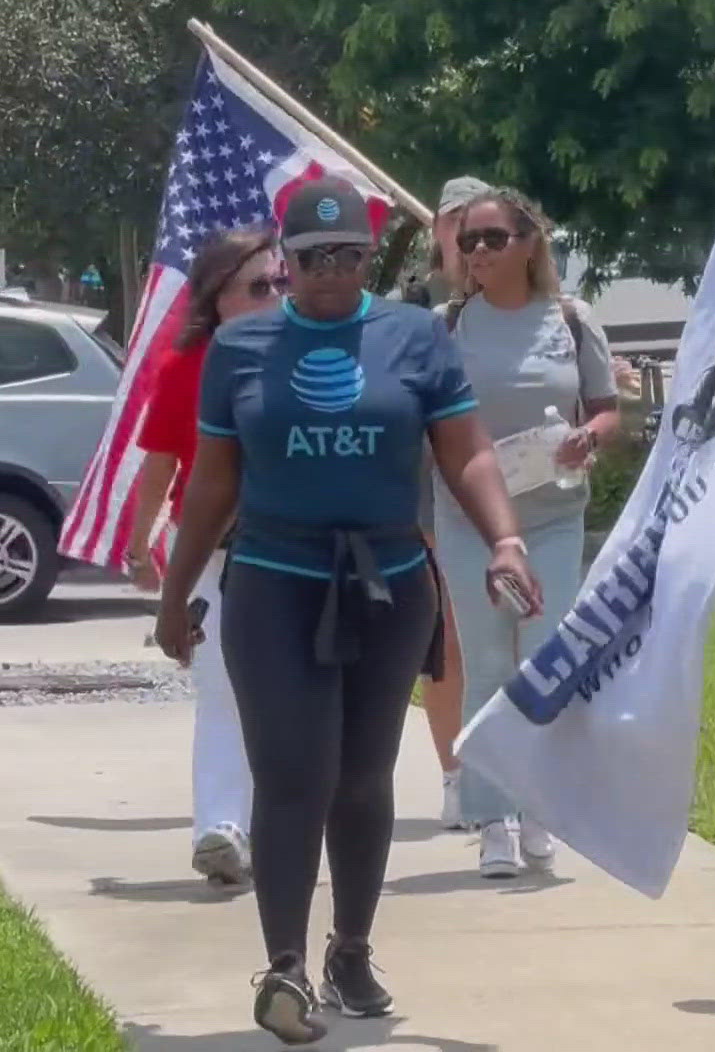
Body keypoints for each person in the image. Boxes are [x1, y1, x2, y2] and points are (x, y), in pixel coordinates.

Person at [154, 178, 541, 1046]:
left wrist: (505, 540)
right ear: (284, 267)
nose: (330, 270)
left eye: (348, 254)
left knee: (363, 777)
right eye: (310, 257)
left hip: (388, 579)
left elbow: (467, 453)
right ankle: (284, 966)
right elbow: (214, 482)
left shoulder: (411, 337)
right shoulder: (243, 349)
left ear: (371, 258)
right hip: (271, 579)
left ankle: (351, 950)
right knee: (293, 770)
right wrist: (178, 596)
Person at [436, 186, 619, 879]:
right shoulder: (446, 324)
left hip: (551, 514)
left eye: (493, 237)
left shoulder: (571, 320)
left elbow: (606, 411)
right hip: (469, 519)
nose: (477, 250)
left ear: (529, 243)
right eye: (469, 239)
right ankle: (493, 819)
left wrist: (587, 438)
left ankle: (540, 806)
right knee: (486, 662)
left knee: (546, 662)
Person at [125, 226, 282, 892]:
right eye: (258, 286)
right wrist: (140, 546)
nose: (275, 295)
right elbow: (160, 463)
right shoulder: (186, 367)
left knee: (291, 699)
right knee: (222, 692)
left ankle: (282, 827)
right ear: (219, 297)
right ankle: (220, 830)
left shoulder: (309, 354)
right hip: (221, 555)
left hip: (303, 551)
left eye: (281, 282)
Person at [414, 176, 491, 832]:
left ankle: (514, 782)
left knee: (513, 643)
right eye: (456, 222)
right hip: (431, 498)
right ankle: (456, 776)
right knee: (451, 645)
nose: (469, 236)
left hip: (519, 496)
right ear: (436, 231)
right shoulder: (411, 311)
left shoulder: (531, 303)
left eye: (482, 223)